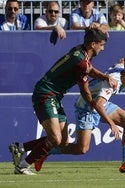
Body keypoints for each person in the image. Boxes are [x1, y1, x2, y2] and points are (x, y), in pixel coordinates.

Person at [9, 28, 118, 175]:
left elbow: (89, 69)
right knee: (55, 138)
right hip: (46, 94)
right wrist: (92, 104)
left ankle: (20, 147)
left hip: (55, 96)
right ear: (93, 44)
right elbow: (84, 90)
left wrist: (105, 77)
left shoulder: (80, 51)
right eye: (102, 44)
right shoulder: (81, 61)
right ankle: (22, 166)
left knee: (62, 142)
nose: (103, 48)